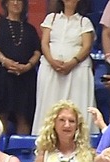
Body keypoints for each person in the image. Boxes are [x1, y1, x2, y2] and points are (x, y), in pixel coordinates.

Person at [0, 0, 42, 137]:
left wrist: (28, 66)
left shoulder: (30, 29)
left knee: (24, 117)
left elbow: (37, 51)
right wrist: (4, 60)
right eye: (12, 0)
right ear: (6, 4)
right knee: (0, 116)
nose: (16, 3)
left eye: (20, 1)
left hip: (24, 78)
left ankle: (21, 152)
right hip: (0, 76)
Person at [35, 0, 97, 134]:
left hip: (77, 71)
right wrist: (52, 61)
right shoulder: (51, 19)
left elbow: (86, 46)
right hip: (51, 70)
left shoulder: (84, 22)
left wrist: (72, 63)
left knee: (77, 104)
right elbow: (44, 43)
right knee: (49, 104)